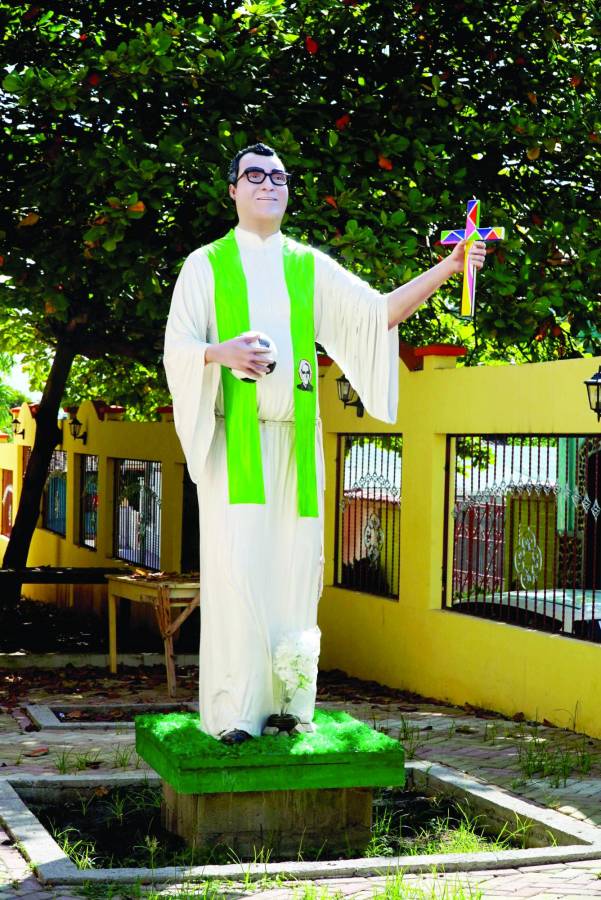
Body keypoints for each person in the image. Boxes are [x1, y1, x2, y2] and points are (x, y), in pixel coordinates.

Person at [163, 142, 486, 744]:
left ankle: (289, 709)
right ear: (232, 190)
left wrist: (449, 267)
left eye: (278, 176)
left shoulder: (307, 267)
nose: (267, 184)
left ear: (288, 191)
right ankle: (234, 714)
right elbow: (177, 348)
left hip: (299, 448)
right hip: (238, 447)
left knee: (293, 575)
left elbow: (376, 315)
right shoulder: (204, 266)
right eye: (253, 175)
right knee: (237, 574)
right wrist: (220, 353)